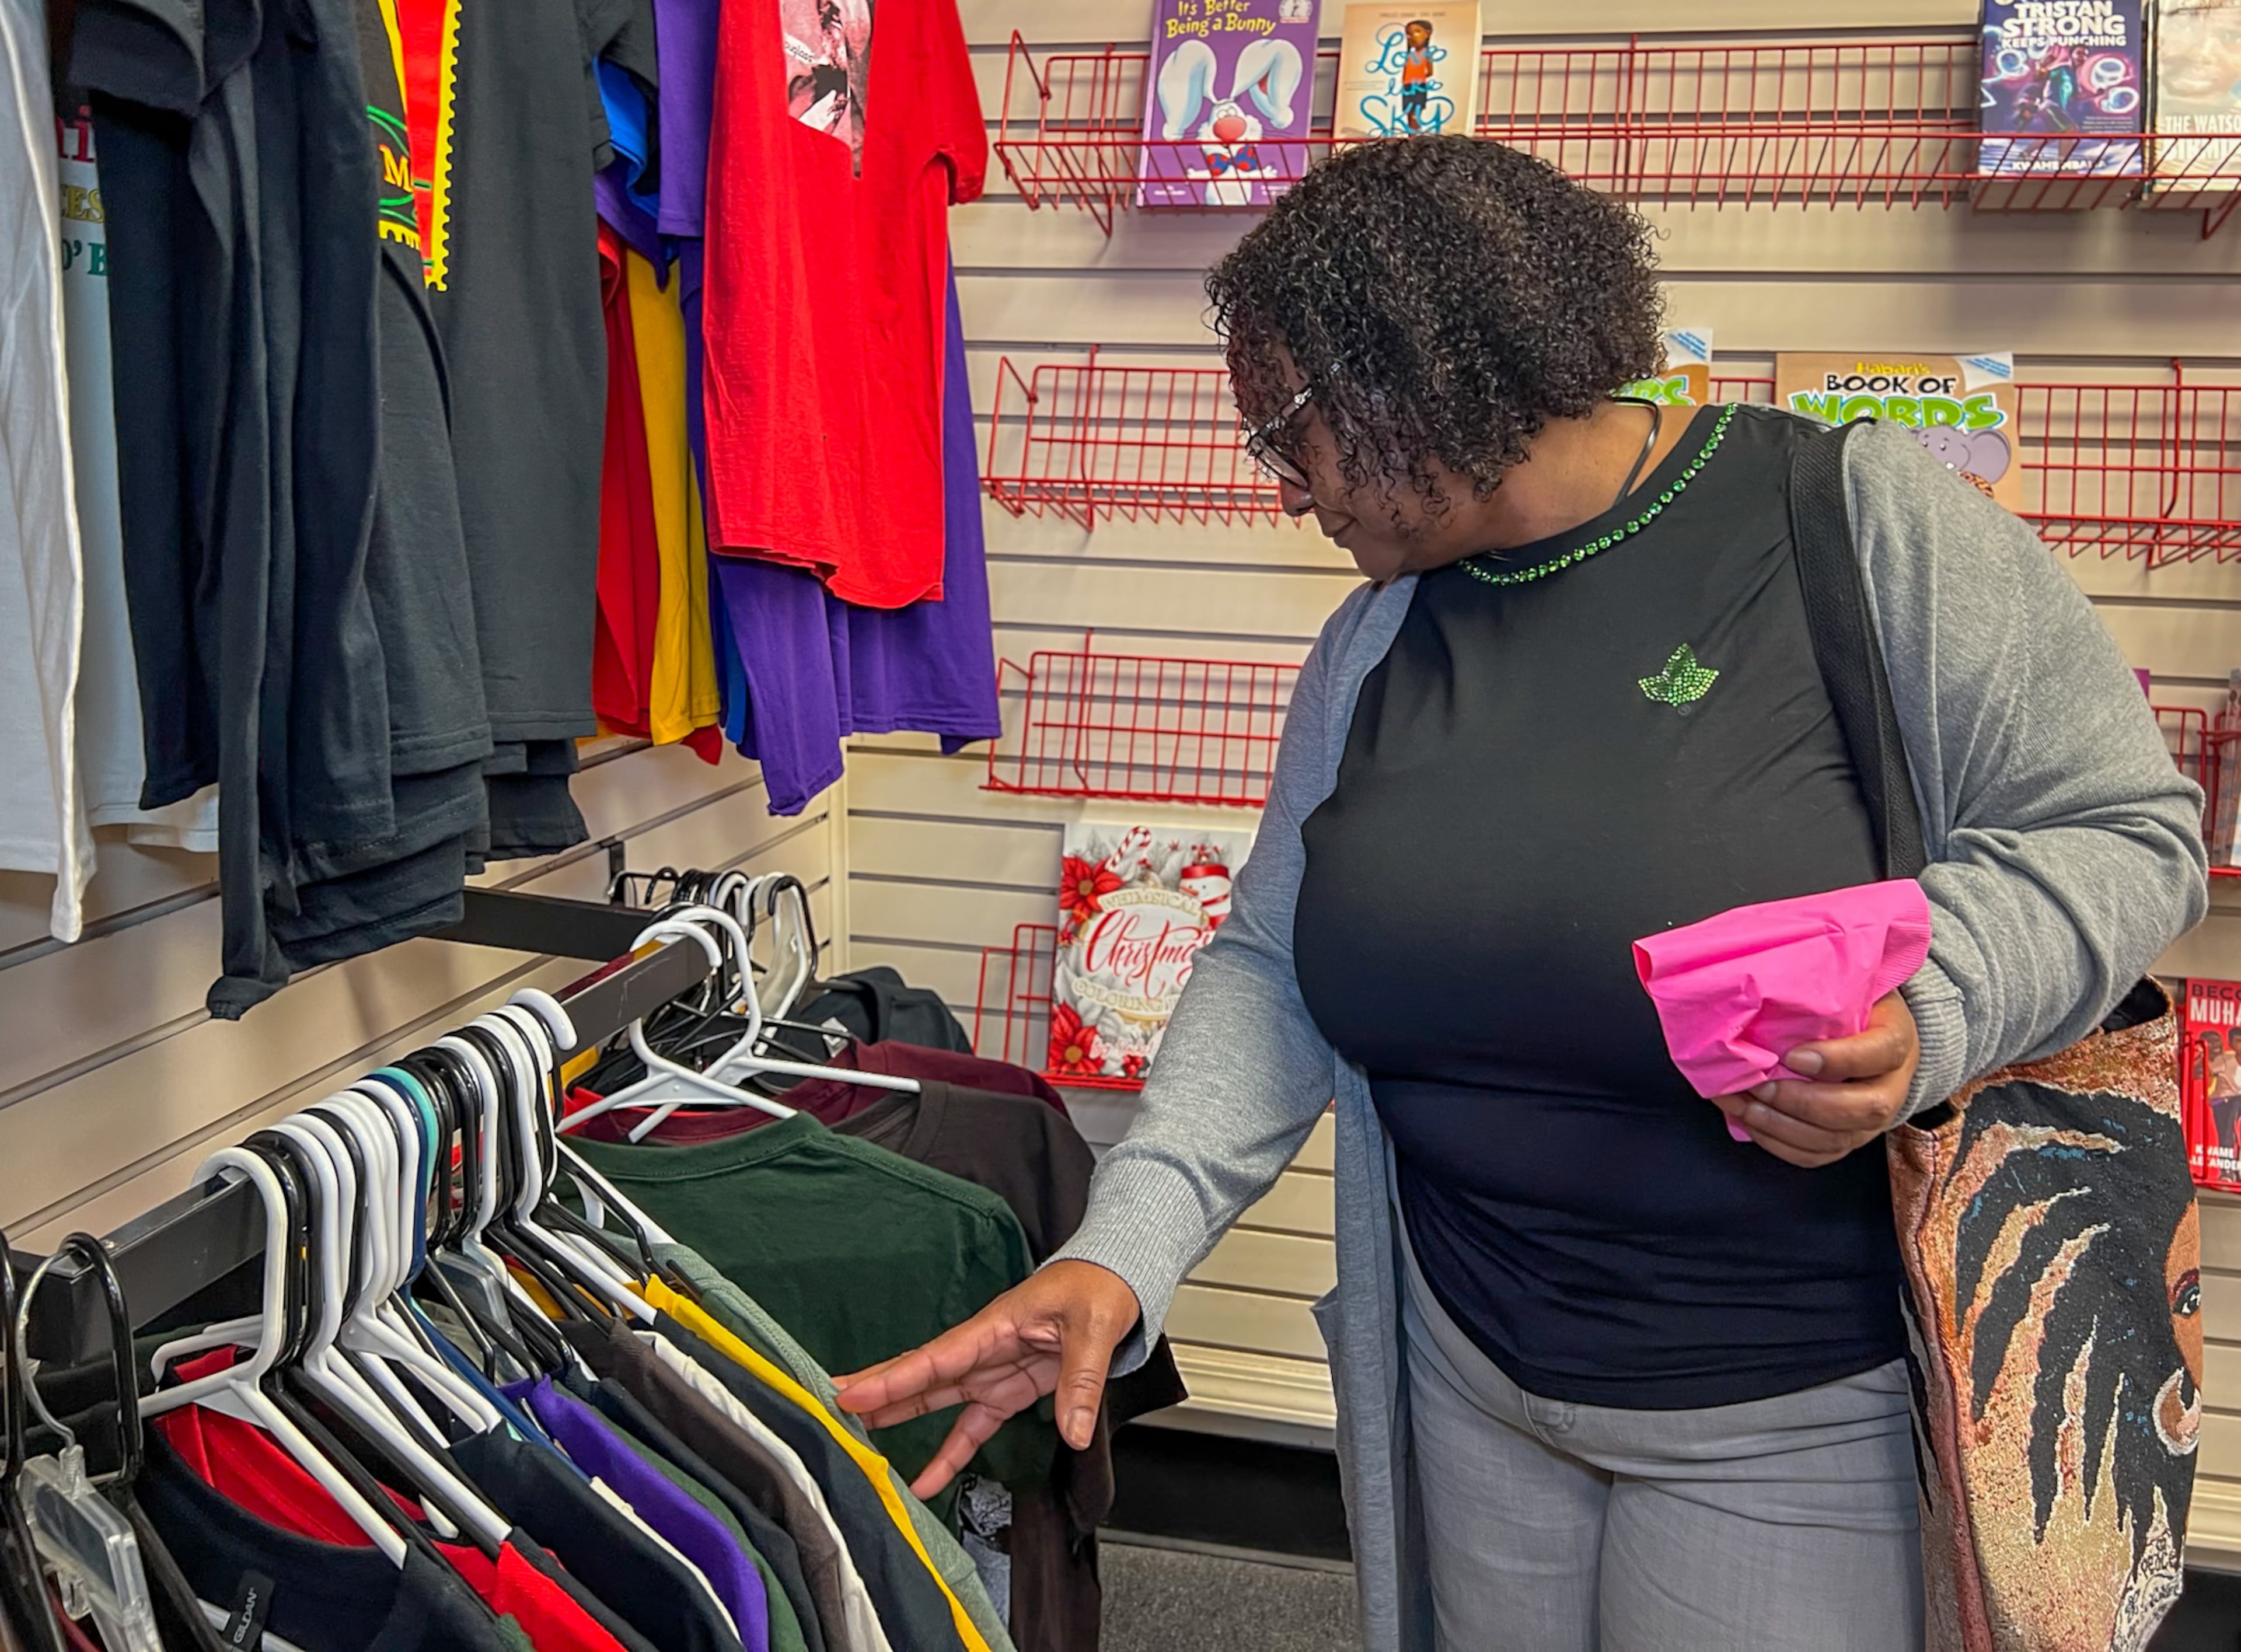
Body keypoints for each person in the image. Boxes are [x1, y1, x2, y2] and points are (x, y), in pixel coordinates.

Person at [833, 139, 2208, 1651]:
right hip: (1462, 1382)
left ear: (1426, 378)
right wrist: (1124, 1242)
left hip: (1795, 1412)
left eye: (1288, 432)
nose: (1283, 487)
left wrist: (1928, 1014)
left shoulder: (1855, 522)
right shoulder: (1375, 638)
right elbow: (1276, 966)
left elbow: (2125, 834)